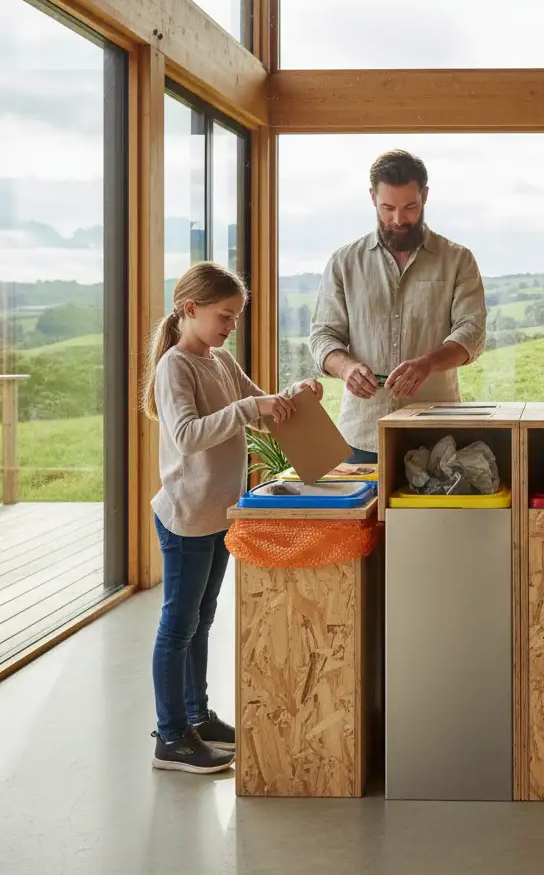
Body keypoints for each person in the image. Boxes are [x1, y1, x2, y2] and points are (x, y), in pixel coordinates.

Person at [143, 262, 322, 774]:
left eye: (236, 318)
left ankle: (197, 716)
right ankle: (171, 737)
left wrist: (295, 395)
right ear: (189, 310)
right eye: (224, 316)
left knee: (201, 621)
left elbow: (262, 405)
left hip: (219, 514)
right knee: (178, 625)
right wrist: (251, 407)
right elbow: (188, 435)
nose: (230, 326)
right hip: (185, 518)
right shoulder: (176, 366)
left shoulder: (218, 359)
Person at [309, 149, 487, 462]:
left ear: (426, 197)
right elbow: (323, 335)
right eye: (387, 207)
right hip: (362, 435)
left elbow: (472, 332)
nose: (398, 219)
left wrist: (427, 363)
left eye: (410, 207)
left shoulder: (458, 259)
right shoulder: (343, 262)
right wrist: (347, 367)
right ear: (372, 197)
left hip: (436, 433)